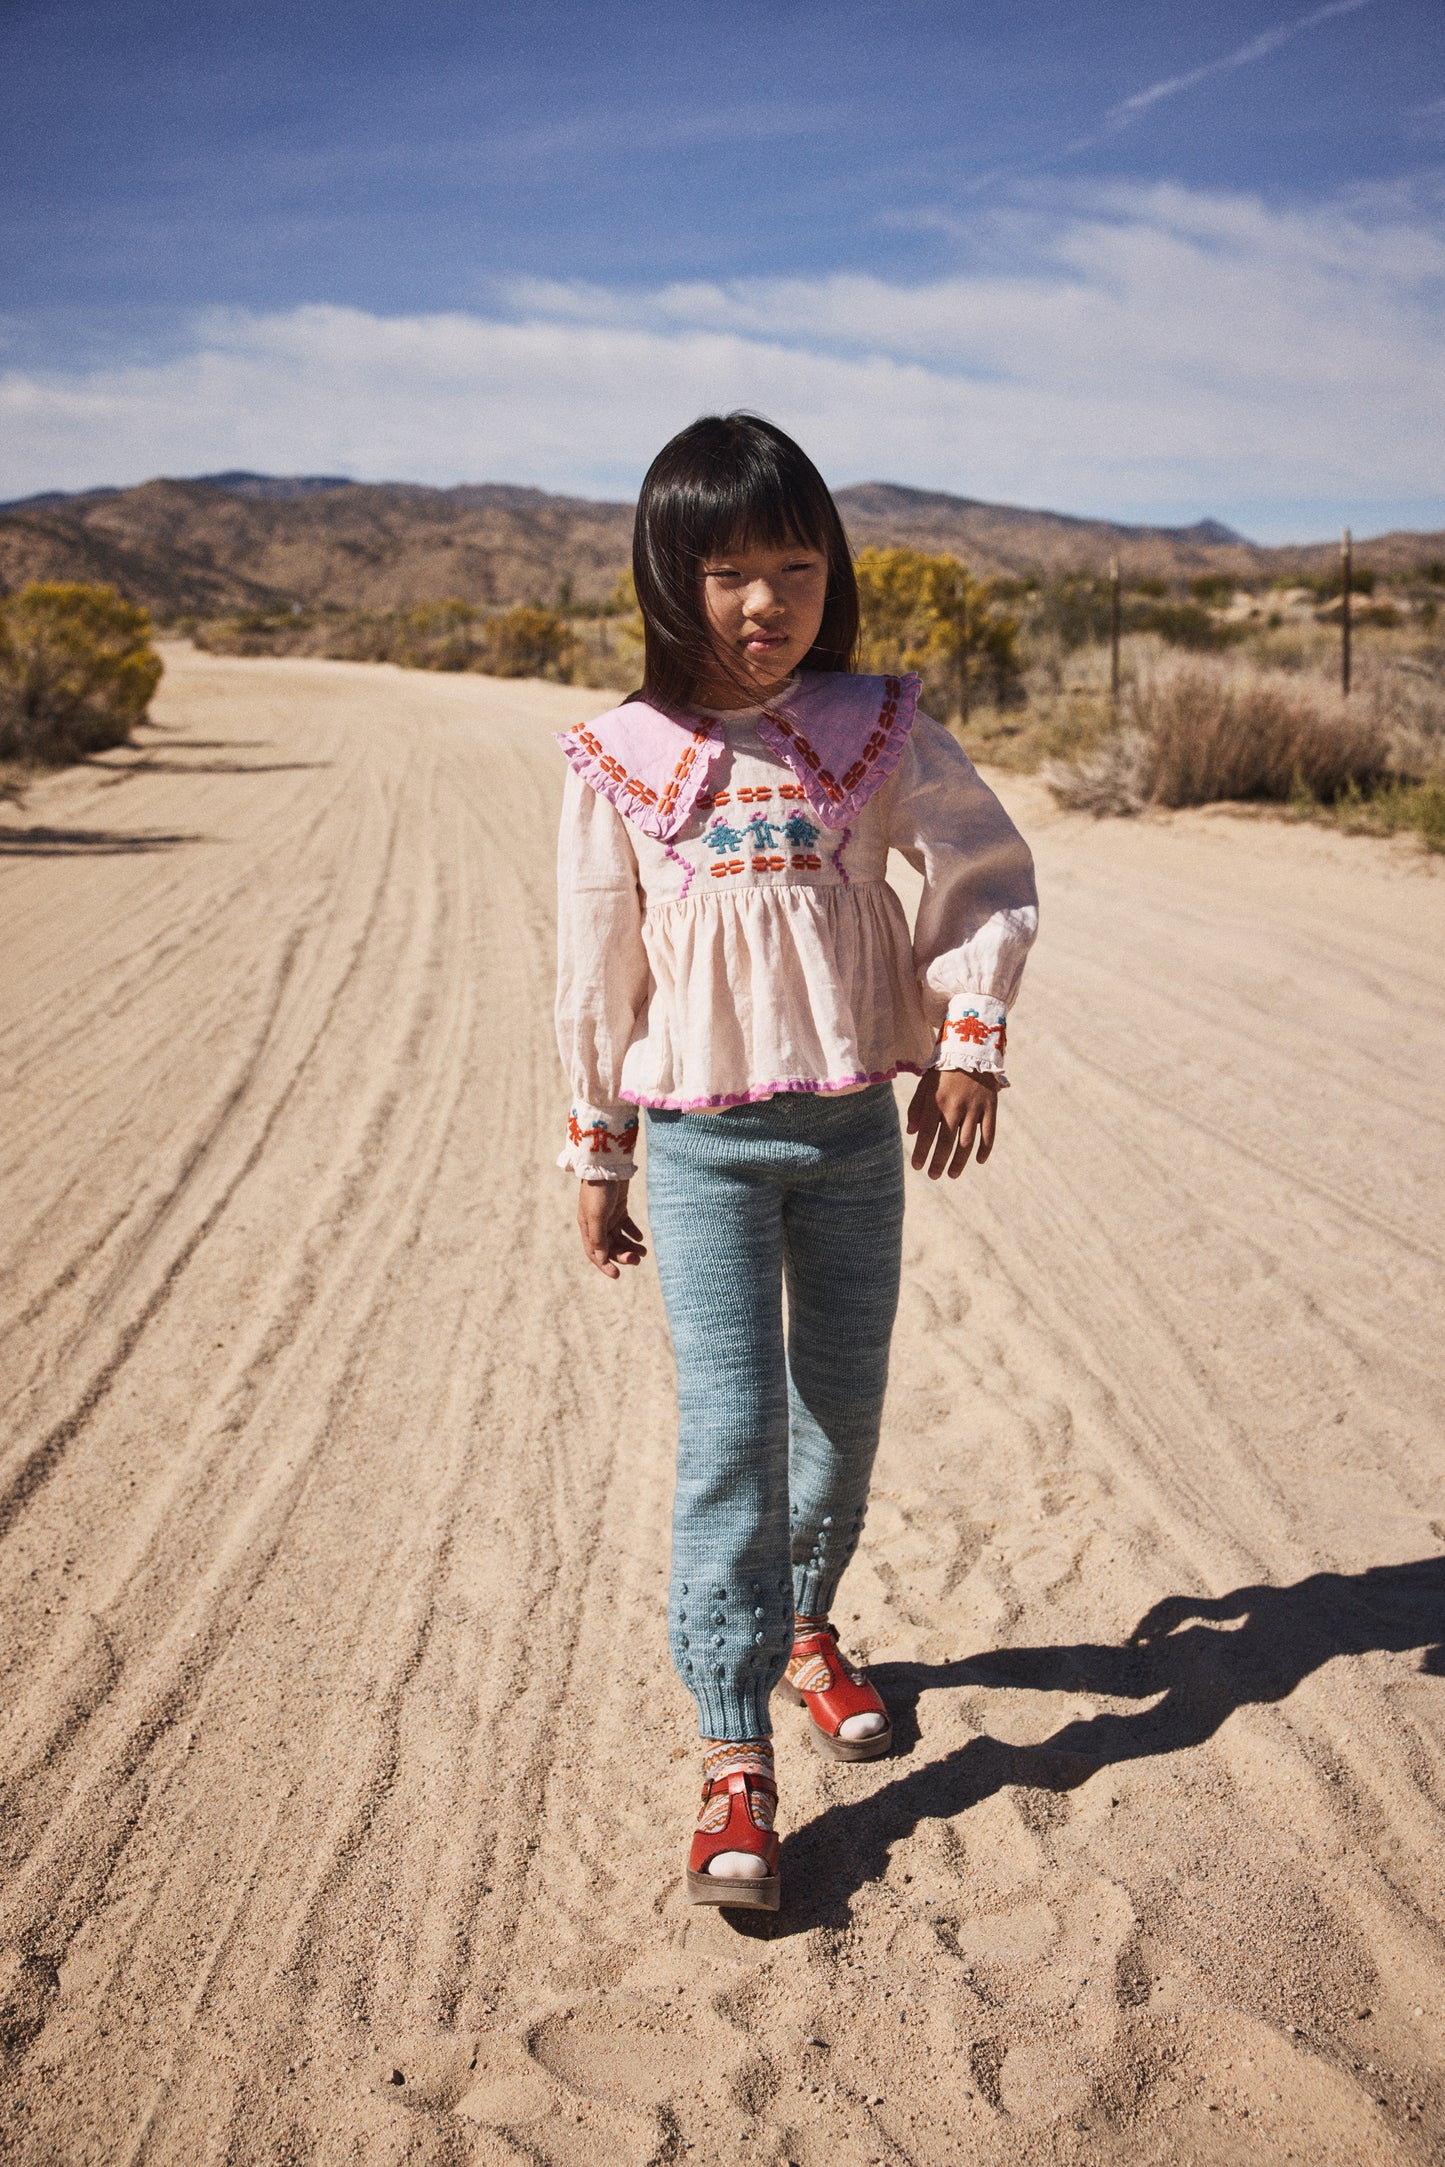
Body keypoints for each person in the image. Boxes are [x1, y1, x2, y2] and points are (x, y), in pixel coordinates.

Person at [554, 413, 1038, 1910]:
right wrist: (598, 1145)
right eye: (728, 573)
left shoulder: (875, 724)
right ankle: (730, 1748)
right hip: (702, 1153)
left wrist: (969, 1037)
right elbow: (598, 963)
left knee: (843, 1413)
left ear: (833, 571)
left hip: (845, 1138)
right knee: (730, 1441)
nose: (767, 601)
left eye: (795, 564)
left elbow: (981, 866)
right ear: (666, 580)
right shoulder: (624, 760)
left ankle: (809, 1627)